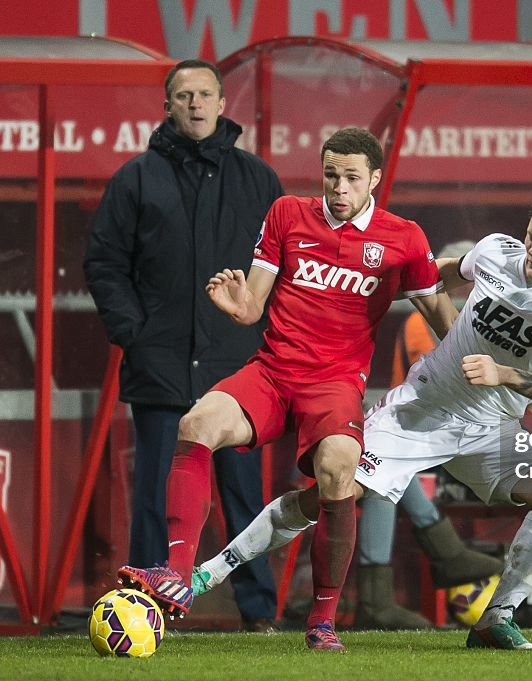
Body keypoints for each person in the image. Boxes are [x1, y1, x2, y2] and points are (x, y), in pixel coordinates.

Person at [190, 186, 532, 651]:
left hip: (493, 427)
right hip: (420, 411)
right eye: (531, 236)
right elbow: (432, 277)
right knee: (331, 494)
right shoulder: (496, 251)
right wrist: (366, 292)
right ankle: (209, 573)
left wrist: (507, 375)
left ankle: (496, 617)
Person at [116, 127, 457, 651]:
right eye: (330, 175)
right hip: (273, 371)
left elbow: (440, 314)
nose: (338, 187)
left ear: (375, 180)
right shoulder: (287, 214)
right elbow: (254, 305)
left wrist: (479, 363)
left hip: (336, 382)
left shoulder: (403, 238)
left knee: (340, 467)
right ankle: (176, 574)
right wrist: (237, 308)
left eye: (350, 178)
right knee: (196, 424)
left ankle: (322, 621)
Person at [83, 59, 283, 632]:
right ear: (167, 105)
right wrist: (135, 335)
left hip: (241, 370)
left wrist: (266, 336)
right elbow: (104, 263)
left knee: (245, 500)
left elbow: (285, 269)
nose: (195, 104)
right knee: (154, 498)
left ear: (223, 104)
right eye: (183, 95)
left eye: (205, 94)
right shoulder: (136, 178)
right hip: (160, 364)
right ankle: (144, 611)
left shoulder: (260, 181)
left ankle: (259, 615)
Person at [355, 239, 502, 630]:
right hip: (424, 424)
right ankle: (442, 554)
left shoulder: (481, 320)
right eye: (477, 279)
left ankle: (439, 558)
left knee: (387, 473)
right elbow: (451, 382)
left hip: (431, 426)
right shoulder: (424, 321)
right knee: (385, 472)